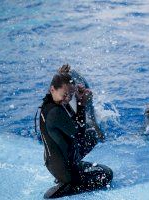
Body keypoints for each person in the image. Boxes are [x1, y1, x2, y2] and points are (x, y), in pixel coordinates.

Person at [39, 65, 113, 198]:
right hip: (63, 169)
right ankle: (66, 186)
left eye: (71, 95)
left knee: (91, 136)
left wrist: (62, 77)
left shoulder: (49, 103)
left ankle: (69, 177)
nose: (67, 98)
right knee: (106, 174)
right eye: (65, 95)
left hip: (54, 161)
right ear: (52, 89)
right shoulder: (55, 112)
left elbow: (71, 122)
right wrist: (81, 104)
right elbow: (79, 132)